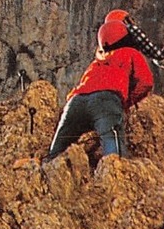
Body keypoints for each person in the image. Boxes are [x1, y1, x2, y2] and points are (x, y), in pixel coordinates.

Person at [45, 17, 154, 162]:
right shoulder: (131, 53)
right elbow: (146, 82)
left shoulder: (96, 62)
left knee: (55, 154)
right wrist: (126, 103)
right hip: (106, 101)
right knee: (114, 157)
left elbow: (82, 85)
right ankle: (114, 180)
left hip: (75, 103)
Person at [103, 9, 164, 77]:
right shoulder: (132, 30)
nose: (133, 21)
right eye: (129, 19)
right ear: (125, 22)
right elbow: (157, 55)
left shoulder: (109, 44)